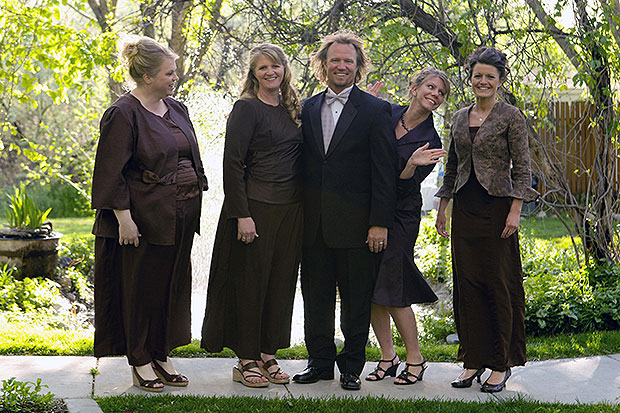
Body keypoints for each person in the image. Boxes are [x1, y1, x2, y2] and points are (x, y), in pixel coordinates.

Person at [91, 37, 207, 392]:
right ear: (147, 77)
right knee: (140, 289)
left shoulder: (176, 108)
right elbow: (110, 170)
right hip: (142, 218)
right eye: (168, 73)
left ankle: (160, 353)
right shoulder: (123, 113)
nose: (175, 77)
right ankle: (139, 359)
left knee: (170, 287)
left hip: (180, 213)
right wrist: (124, 219)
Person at [291, 31, 397, 391]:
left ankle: (351, 366)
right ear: (323, 64)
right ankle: (319, 363)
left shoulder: (376, 110)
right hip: (313, 225)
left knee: (355, 302)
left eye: (348, 61)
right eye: (335, 59)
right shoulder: (306, 108)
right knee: (315, 299)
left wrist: (379, 223)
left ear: (358, 66)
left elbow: (384, 172)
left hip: (358, 226)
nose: (341, 66)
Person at [435, 47, 538, 393]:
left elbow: (523, 167)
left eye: (489, 76)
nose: (483, 81)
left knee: (498, 283)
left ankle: (500, 362)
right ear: (471, 78)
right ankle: (472, 360)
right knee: (467, 284)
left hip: (497, 210)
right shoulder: (459, 117)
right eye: (478, 75)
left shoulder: (511, 116)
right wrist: (443, 206)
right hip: (465, 208)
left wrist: (515, 210)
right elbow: (452, 166)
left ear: (499, 81)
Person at [201, 43, 303, 388]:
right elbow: (232, 163)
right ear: (254, 74)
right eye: (263, 68)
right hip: (255, 208)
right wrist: (241, 215)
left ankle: (267, 353)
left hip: (291, 211)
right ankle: (246, 359)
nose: (270, 72)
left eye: (275, 66)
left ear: (285, 69)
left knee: (280, 284)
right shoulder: (246, 108)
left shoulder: (293, 108)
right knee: (250, 285)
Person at [364, 68, 449, 385]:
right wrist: (363, 108)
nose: (435, 94)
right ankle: (388, 356)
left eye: (441, 93)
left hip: (401, 215)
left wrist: (411, 164)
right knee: (372, 287)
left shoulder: (431, 140)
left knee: (394, 284)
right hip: (370, 210)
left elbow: (405, 187)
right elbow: (359, 147)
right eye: (431, 87)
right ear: (414, 88)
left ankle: (415, 358)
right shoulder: (384, 113)